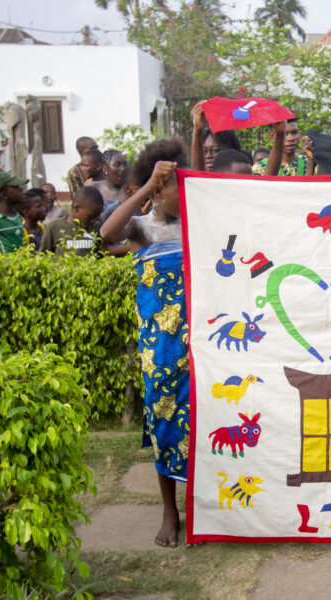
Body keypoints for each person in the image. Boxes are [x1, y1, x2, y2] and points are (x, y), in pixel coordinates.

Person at [100, 138, 191, 548]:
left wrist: (195, 135)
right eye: (175, 189)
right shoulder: (140, 228)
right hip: (160, 345)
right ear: (156, 189)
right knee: (163, 418)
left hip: (197, 339)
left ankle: (201, 501)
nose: (184, 198)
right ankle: (170, 511)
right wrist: (148, 184)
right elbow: (106, 232)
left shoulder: (191, 225)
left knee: (201, 417)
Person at [40, 186, 105, 257]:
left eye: (97, 216)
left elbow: (102, 255)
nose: (93, 221)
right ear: (76, 208)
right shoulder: (55, 227)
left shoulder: (97, 227)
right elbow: (43, 256)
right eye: (90, 216)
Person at [88, 150, 127, 221]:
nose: (123, 169)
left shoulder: (130, 190)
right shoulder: (93, 188)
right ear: (105, 168)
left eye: (125, 165)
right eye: (117, 165)